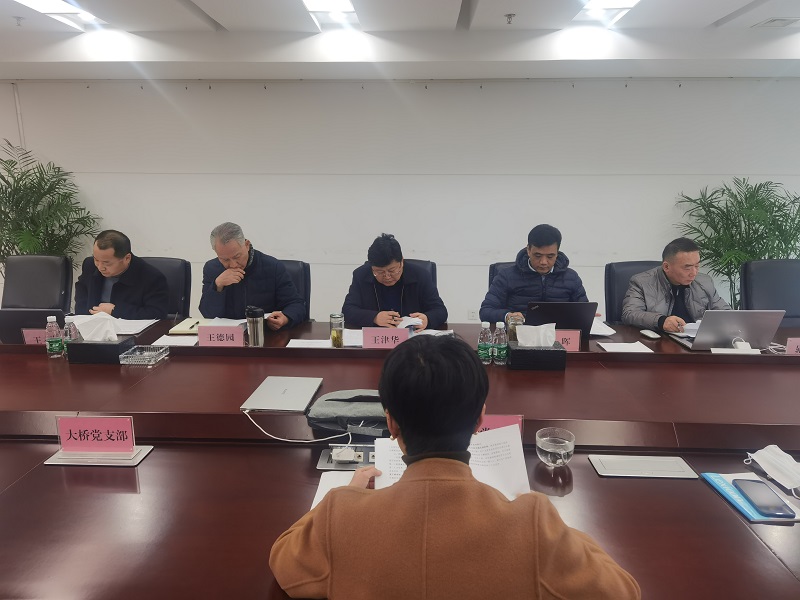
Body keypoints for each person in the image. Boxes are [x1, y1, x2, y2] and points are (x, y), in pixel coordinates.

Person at [269, 335, 641, 599]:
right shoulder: (534, 525)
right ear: (480, 419)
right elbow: (622, 591)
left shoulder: (341, 516)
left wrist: (345, 495)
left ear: (391, 422)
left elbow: (283, 562)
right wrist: (550, 527)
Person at [199, 222, 304, 329]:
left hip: (265, 333)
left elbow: (296, 305)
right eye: (225, 260)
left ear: (247, 245)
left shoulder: (273, 267)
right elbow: (207, 314)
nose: (233, 265)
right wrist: (217, 285)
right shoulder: (212, 269)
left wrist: (285, 318)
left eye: (237, 256)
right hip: (228, 334)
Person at [480, 224, 588, 324]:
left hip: (559, 333)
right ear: (528, 250)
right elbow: (485, 311)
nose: (543, 262)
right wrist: (508, 316)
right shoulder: (506, 276)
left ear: (557, 253)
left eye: (550, 256)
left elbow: (584, 310)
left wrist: (588, 316)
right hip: (519, 333)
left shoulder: (571, 277)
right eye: (538, 256)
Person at [622, 237, 730, 333]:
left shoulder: (704, 281)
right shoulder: (641, 282)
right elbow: (630, 314)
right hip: (661, 341)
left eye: (697, 266)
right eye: (687, 268)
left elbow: (725, 312)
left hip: (695, 340)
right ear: (666, 267)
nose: (694, 273)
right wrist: (661, 321)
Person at [342, 233, 447, 331]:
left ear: (402, 262)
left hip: (412, 338)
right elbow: (347, 310)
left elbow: (440, 310)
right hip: (377, 338)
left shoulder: (420, 275)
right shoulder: (361, 275)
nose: (387, 276)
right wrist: (374, 317)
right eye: (379, 272)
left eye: (392, 270)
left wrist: (427, 318)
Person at [74, 230, 168, 319]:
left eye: (107, 263)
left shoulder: (151, 277)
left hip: (129, 328)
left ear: (127, 258)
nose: (100, 267)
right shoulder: (89, 265)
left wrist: (115, 311)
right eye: (96, 260)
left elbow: (156, 313)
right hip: (94, 325)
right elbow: (81, 296)